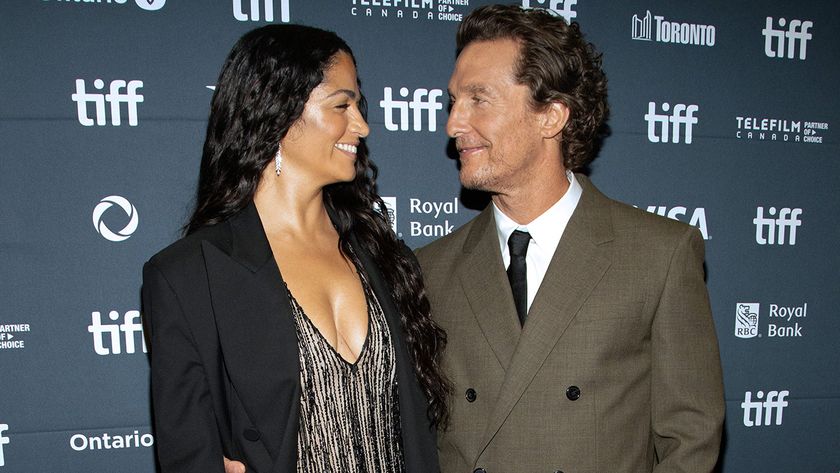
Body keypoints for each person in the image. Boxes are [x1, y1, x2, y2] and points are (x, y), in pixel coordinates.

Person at [415, 5, 725, 472]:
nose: (453, 124)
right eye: (454, 101)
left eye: (478, 99)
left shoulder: (659, 254)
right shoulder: (430, 268)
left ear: (551, 117)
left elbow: (691, 436)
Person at [142, 24, 448, 473]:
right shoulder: (188, 277)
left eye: (358, 106)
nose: (361, 126)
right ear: (277, 112)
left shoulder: (384, 256)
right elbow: (187, 454)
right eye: (342, 105)